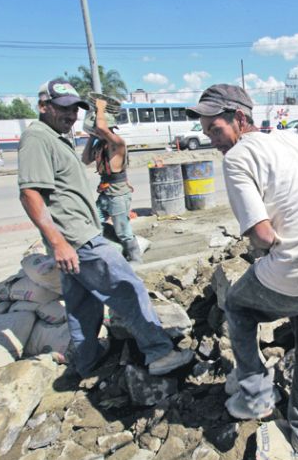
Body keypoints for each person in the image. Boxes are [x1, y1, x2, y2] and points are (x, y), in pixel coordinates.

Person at [186, 84, 298, 460]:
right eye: (205, 130)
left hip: (296, 269)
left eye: (214, 128)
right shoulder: (297, 140)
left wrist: (278, 245)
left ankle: (255, 394)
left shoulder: (237, 157)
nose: (210, 139)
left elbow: (262, 234)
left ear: (240, 118)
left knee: (238, 306)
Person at [17, 79, 193, 379]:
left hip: (77, 235)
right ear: (43, 106)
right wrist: (58, 243)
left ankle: (87, 361)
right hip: (77, 238)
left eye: (74, 109)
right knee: (127, 288)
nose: (70, 115)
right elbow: (29, 193)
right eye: (62, 109)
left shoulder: (55, 137)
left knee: (82, 303)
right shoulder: (38, 138)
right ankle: (159, 352)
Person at [80, 97, 143, 263]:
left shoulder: (118, 143)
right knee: (94, 222)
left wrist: (100, 108)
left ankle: (136, 258)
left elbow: (101, 126)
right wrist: (91, 137)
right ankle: (119, 249)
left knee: (123, 229)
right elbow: (85, 160)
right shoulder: (100, 144)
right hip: (106, 191)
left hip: (118, 193)